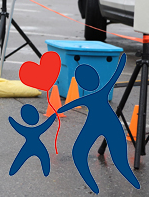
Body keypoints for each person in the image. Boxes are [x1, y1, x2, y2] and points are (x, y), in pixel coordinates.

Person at [58, 54, 140, 193]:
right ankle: (125, 182)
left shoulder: (92, 96)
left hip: (96, 124)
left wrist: (59, 109)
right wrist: (122, 61)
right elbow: (115, 75)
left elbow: (71, 104)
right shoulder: (101, 92)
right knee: (117, 158)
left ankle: (94, 185)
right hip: (108, 123)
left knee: (79, 152)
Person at [8, 104, 56, 177]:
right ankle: (46, 172)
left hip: (27, 146)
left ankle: (12, 171)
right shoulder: (38, 129)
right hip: (39, 145)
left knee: (19, 159)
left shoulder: (25, 130)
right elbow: (47, 124)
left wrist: (11, 120)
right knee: (45, 159)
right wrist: (53, 116)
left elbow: (16, 126)